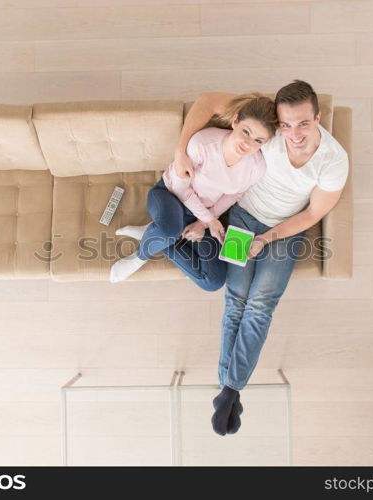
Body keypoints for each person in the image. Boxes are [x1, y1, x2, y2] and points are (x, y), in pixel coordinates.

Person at [173, 80, 350, 436]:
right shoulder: (266, 127)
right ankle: (230, 390)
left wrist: (268, 238)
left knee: (261, 304)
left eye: (303, 123)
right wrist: (180, 151)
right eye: (286, 125)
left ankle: (229, 388)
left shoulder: (333, 161)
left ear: (318, 118)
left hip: (285, 231)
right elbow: (208, 99)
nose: (294, 133)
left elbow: (313, 214)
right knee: (236, 299)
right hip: (241, 218)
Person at [109, 94, 277, 293]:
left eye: (258, 140)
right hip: (169, 196)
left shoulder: (256, 167)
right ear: (235, 121)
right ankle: (139, 258)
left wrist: (202, 223)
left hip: (201, 216)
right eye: (246, 132)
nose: (248, 144)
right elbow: (181, 188)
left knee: (213, 281)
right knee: (170, 227)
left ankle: (155, 235)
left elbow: (233, 195)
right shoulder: (203, 144)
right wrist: (209, 220)